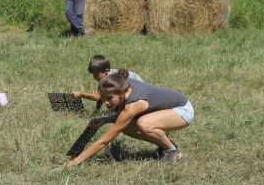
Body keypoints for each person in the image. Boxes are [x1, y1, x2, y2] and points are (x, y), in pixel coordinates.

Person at [66, 69, 194, 166]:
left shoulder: (132, 104)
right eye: (103, 98)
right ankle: (164, 146)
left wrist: (75, 162)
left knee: (144, 124)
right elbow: (124, 118)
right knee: (127, 127)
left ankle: (172, 151)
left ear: (121, 94)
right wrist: (105, 119)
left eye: (110, 98)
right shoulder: (122, 85)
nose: (106, 103)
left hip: (182, 110)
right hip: (165, 110)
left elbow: (104, 140)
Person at [73, 54, 144, 111]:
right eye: (93, 74)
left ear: (106, 71)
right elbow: (103, 94)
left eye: (96, 74)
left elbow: (98, 97)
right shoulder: (105, 77)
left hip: (139, 92)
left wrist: (81, 94)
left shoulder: (110, 79)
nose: (94, 77)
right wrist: (97, 110)